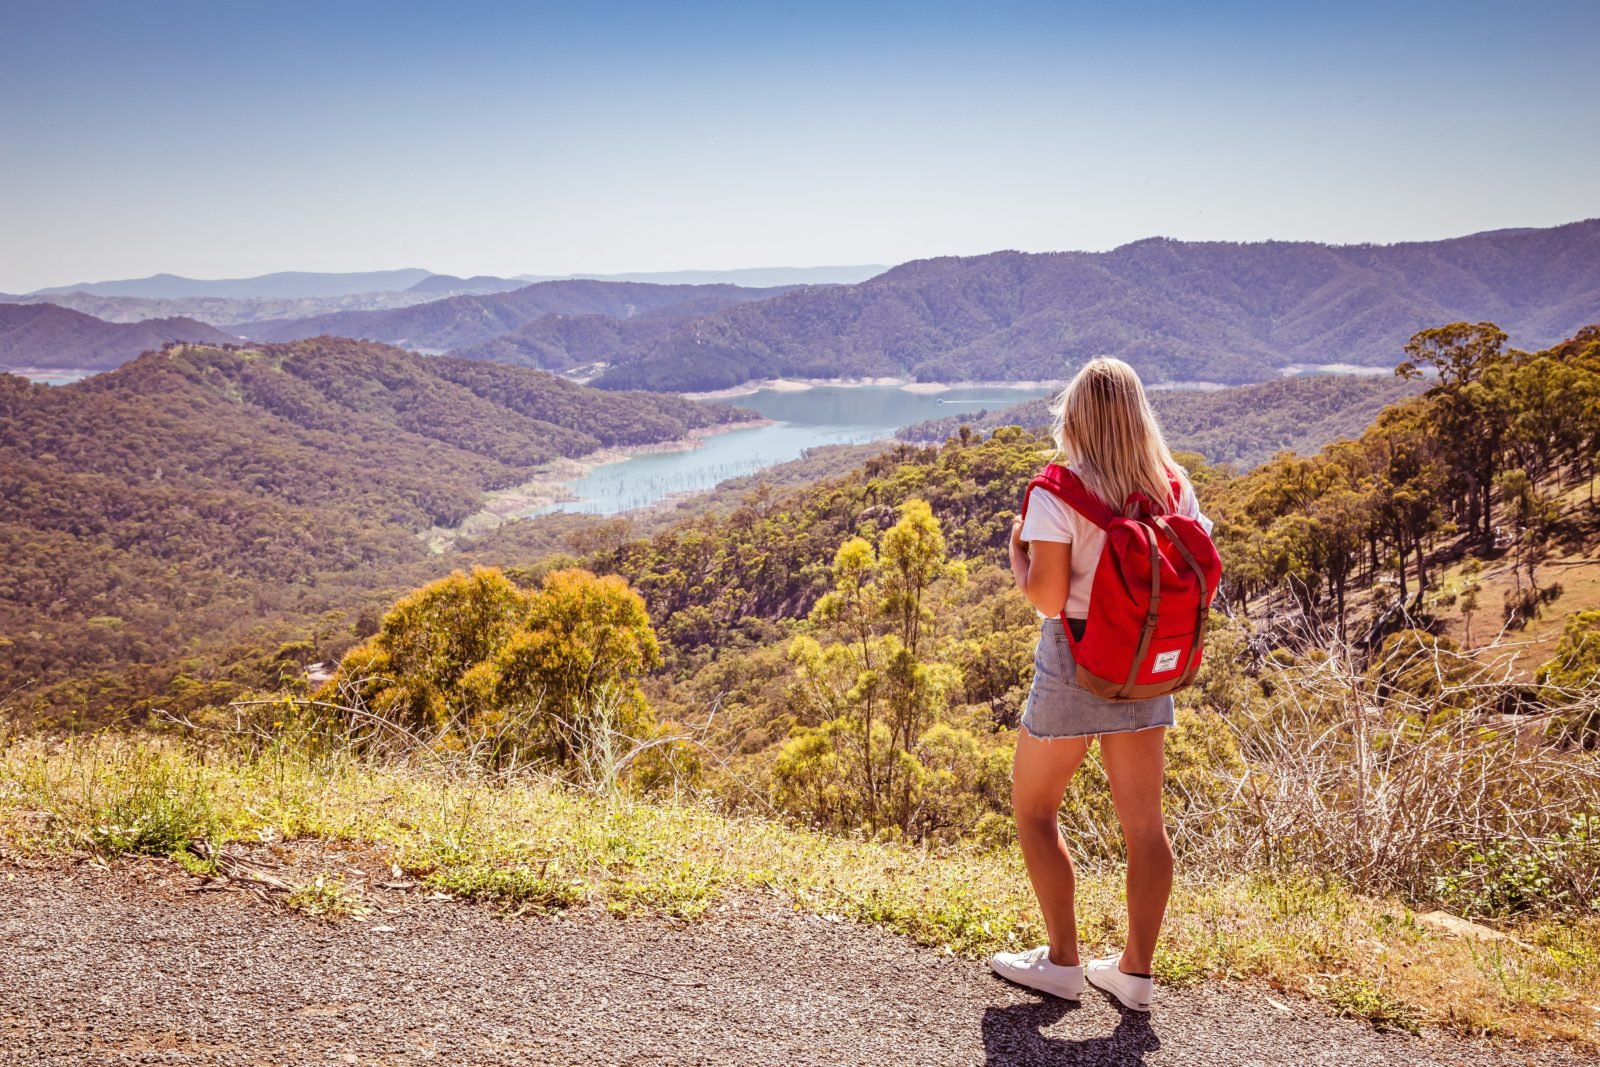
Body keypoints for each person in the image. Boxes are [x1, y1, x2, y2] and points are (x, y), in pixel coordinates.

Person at [989, 357, 1213, 1013]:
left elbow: (1050, 599)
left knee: (1034, 808)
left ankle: (1062, 960)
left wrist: (1018, 557)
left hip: (1077, 660)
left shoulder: (1055, 492)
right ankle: (1134, 972)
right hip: (1148, 661)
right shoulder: (1174, 487)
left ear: (1076, 416)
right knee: (1145, 827)